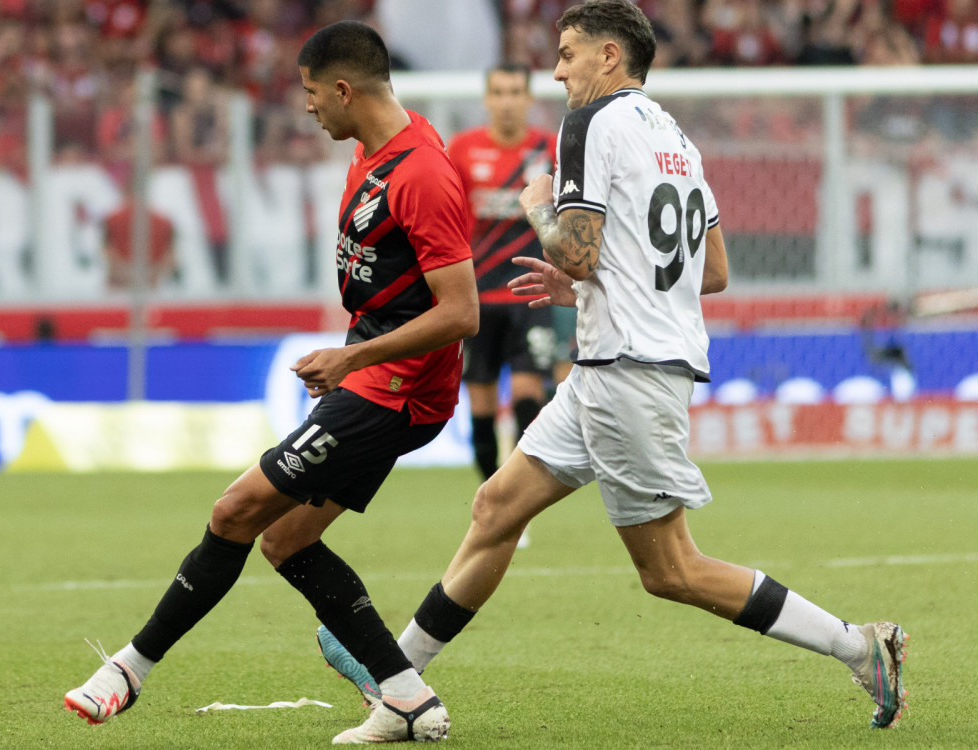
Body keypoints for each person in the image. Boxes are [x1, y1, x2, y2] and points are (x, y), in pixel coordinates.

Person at [315, 0, 908, 733]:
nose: (556, 69)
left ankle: (859, 645)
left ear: (610, 56)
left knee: (671, 571)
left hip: (631, 368)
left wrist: (539, 210)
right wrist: (595, 280)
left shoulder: (591, 123)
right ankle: (398, 685)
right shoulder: (676, 139)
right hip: (611, 364)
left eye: (568, 53)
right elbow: (712, 269)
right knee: (497, 508)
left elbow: (577, 248)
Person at [63, 20, 478, 745]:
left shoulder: (421, 174)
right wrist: (354, 357)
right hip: (375, 380)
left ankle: (128, 670)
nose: (309, 106)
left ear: (344, 88)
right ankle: (406, 696)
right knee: (285, 540)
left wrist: (350, 361)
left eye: (313, 93)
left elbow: (461, 312)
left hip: (398, 391)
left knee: (235, 511)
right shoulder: (370, 155)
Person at [448, 62, 557, 499]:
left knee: (530, 395)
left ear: (529, 99)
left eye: (516, 91)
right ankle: (492, 495)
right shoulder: (463, 150)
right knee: (481, 409)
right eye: (500, 92)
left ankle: (521, 493)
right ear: (487, 98)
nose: (508, 101)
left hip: (533, 294)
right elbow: (449, 222)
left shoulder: (550, 152)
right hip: (477, 299)